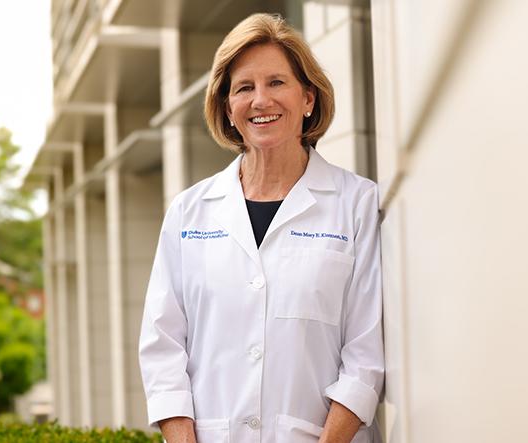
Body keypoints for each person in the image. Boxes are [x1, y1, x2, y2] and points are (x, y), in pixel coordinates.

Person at [139, 13, 384, 443]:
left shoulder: (357, 204)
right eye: (244, 88)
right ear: (227, 108)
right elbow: (163, 349)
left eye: (276, 83)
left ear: (308, 98)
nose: (260, 100)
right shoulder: (188, 212)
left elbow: (366, 354)